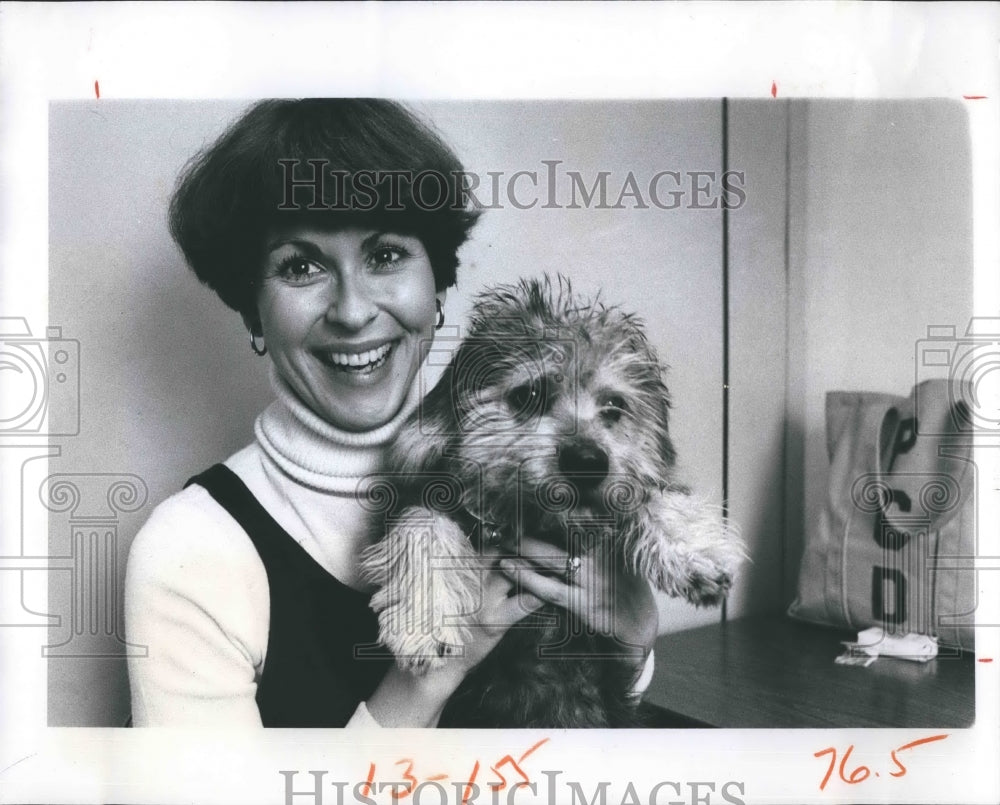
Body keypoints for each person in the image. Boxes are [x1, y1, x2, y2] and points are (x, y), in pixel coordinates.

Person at [124, 99, 659, 728]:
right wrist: (426, 680)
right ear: (252, 309)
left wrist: (634, 642)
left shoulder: (551, 472)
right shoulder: (190, 550)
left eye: (385, 255)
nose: (353, 311)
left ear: (436, 281)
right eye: (301, 266)